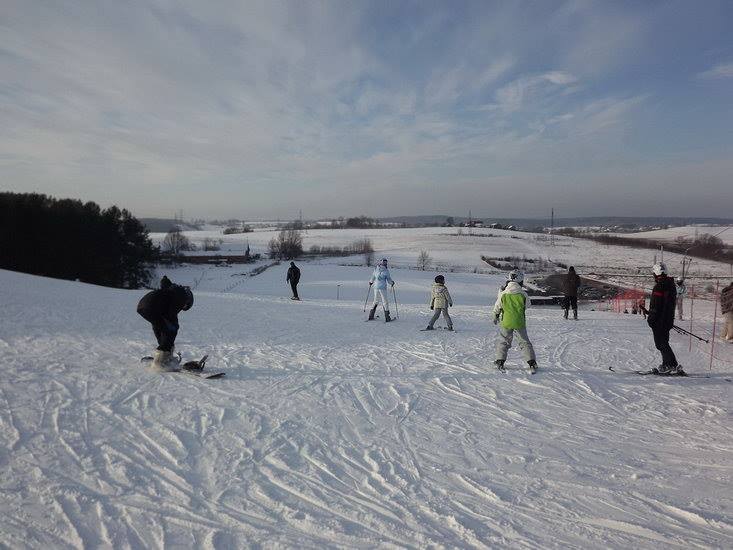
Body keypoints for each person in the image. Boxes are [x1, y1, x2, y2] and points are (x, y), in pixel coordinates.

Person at [137, 276, 194, 369]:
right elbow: (171, 315)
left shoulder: (173, 290)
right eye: (184, 307)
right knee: (171, 329)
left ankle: (162, 355)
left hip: (143, 306)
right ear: (188, 301)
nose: (182, 308)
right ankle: (161, 362)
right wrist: (173, 327)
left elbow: (165, 283)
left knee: (160, 326)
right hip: (152, 307)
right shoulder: (181, 296)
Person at [492, 270, 537, 373]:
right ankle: (531, 362)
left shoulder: (503, 293)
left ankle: (500, 361)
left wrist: (495, 316)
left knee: (504, 341)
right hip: (519, 321)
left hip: (506, 322)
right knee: (524, 342)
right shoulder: (523, 294)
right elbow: (528, 305)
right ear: (520, 281)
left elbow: (497, 306)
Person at [644, 262, 681, 374]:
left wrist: (651, 319)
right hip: (668, 319)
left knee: (660, 343)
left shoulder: (659, 286)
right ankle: (669, 364)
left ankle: (671, 364)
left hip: (659, 320)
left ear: (656, 273)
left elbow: (656, 305)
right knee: (664, 342)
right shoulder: (671, 284)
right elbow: (666, 304)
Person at [368, 258, 395, 322]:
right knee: (385, 302)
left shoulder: (376, 269)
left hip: (376, 288)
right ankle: (387, 317)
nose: (386, 264)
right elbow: (388, 280)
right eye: (385, 263)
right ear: (385, 263)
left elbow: (373, 277)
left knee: (375, 301)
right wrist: (392, 283)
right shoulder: (386, 271)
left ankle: (371, 316)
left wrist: (371, 282)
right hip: (382, 288)